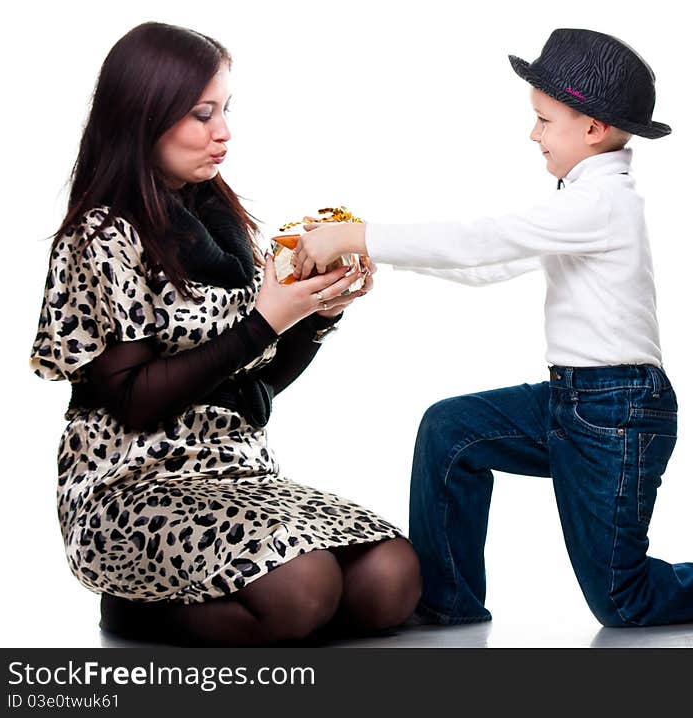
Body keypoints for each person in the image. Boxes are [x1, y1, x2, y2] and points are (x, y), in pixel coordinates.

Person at [292, 28, 693, 627]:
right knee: (451, 429)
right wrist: (377, 260)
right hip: (571, 401)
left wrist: (360, 234)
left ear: (593, 129)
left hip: (616, 412)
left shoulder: (600, 205)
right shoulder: (576, 202)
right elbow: (490, 263)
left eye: (545, 120)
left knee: (623, 602)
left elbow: (480, 239)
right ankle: (447, 603)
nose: (533, 134)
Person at [29, 21, 420, 646]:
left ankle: (258, 611)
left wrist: (318, 313)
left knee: (391, 578)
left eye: (225, 109)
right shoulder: (101, 234)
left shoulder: (218, 219)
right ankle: (131, 610)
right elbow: (133, 402)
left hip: (237, 475)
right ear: (142, 116)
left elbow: (255, 384)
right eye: (201, 113)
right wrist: (266, 319)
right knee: (305, 588)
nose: (224, 131)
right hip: (130, 486)